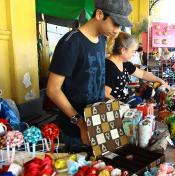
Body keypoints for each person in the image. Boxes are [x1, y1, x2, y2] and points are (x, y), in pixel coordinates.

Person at [47, 0, 132, 154]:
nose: (117, 31)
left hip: (98, 122)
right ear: (99, 14)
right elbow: (53, 90)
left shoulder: (101, 40)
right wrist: (81, 123)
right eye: (115, 24)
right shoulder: (71, 43)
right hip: (76, 129)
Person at [105, 32, 167, 103]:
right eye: (133, 51)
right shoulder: (109, 67)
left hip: (124, 103)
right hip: (115, 109)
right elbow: (106, 95)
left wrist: (161, 81)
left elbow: (143, 74)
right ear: (123, 50)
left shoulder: (125, 64)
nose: (134, 54)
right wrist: (123, 106)